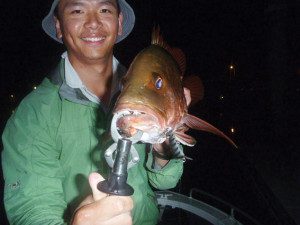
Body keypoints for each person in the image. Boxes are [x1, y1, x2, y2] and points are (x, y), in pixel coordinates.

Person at [2, 0, 187, 224]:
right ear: (59, 25)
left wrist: (164, 145)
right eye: (78, 11)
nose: (93, 23)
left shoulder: (147, 93)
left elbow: (165, 181)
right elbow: (31, 209)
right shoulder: (32, 115)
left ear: (119, 23)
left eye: (104, 10)